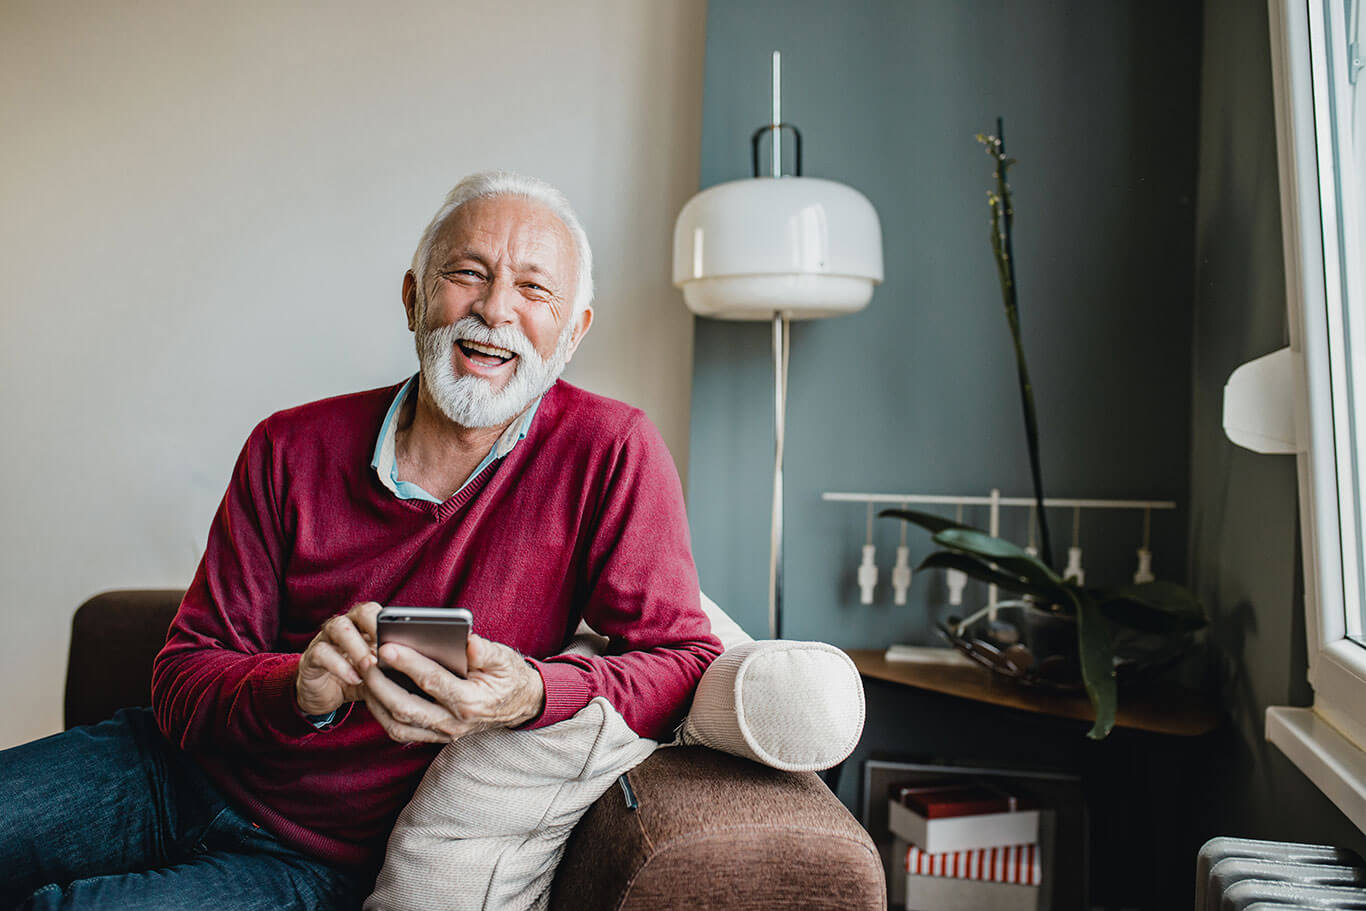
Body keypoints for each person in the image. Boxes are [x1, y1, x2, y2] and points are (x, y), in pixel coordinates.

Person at [0, 171, 722, 910]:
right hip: (166, 768)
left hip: (315, 863)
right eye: (467, 273)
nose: (495, 309)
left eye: (535, 291)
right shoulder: (289, 444)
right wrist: (298, 688)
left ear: (574, 331)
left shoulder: (611, 451)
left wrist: (533, 692)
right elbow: (182, 676)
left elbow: (685, 658)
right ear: (413, 297)